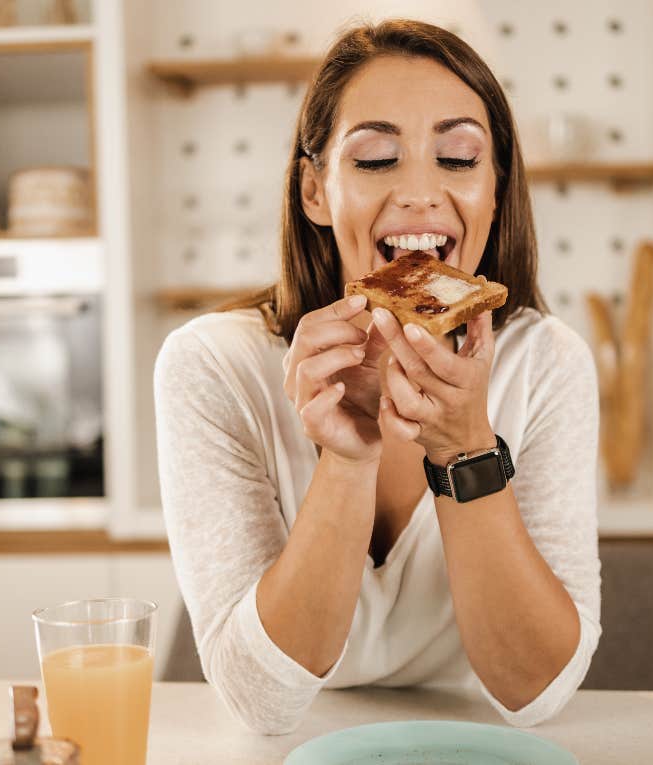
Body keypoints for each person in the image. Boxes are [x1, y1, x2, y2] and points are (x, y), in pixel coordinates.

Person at [154, 18, 600, 735]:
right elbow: (261, 705)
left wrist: (463, 448)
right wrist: (347, 457)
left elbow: (538, 694)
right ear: (314, 191)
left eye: (458, 158)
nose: (421, 193)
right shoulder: (211, 367)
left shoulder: (546, 363)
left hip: (477, 747)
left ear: (495, 192)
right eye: (375, 159)